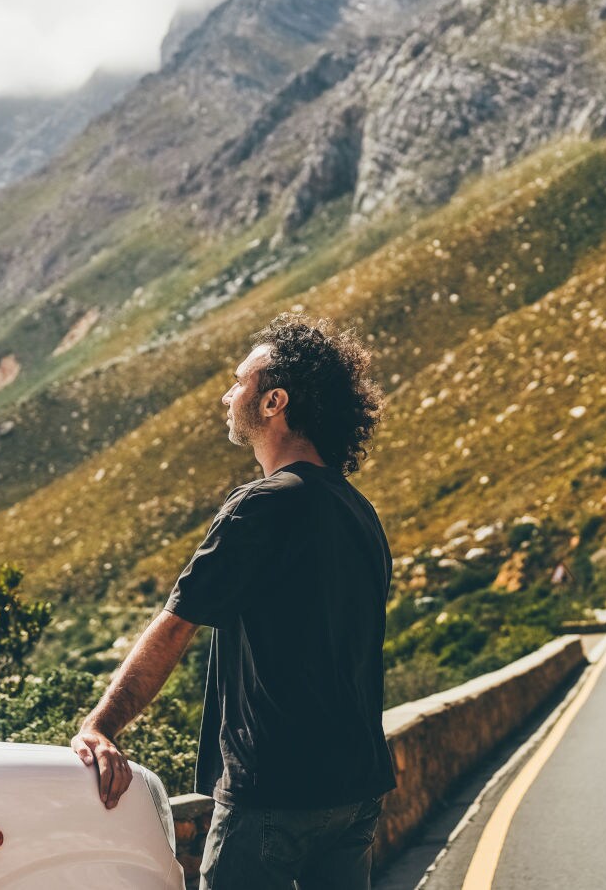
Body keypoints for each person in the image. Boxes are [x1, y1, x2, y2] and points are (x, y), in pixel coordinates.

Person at [71, 313, 396, 889]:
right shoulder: (360, 513)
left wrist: (101, 726)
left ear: (274, 402)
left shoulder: (263, 504)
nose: (228, 393)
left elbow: (176, 625)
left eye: (239, 381)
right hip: (356, 790)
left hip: (274, 791)